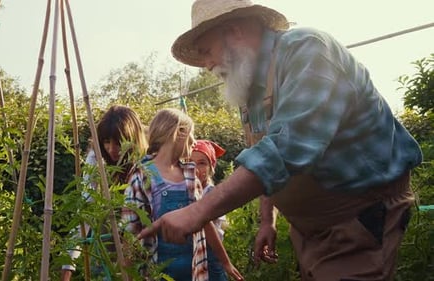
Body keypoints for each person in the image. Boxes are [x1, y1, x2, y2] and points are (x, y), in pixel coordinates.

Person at [138, 0, 423, 280]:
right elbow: (262, 154)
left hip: (358, 217)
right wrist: (267, 219)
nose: (207, 64)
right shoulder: (250, 86)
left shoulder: (309, 51)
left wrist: (198, 211)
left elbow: (287, 148)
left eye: (207, 51)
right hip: (313, 227)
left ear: (234, 31)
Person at [122, 108, 243, 281]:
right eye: (191, 134)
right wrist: (127, 276)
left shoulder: (190, 173)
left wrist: (225, 262)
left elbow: (204, 219)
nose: (194, 141)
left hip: (196, 270)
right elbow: (130, 233)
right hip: (159, 273)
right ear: (178, 133)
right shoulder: (141, 176)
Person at [61, 105, 148, 281]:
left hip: (143, 232)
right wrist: (67, 267)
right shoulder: (96, 159)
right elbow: (87, 210)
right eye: (106, 141)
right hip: (109, 230)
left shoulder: (147, 159)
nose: (111, 148)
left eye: (118, 142)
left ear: (132, 138)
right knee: (103, 271)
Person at [191, 140, 227, 241]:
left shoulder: (214, 195)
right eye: (190, 162)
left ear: (211, 168)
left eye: (201, 163)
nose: (195, 169)